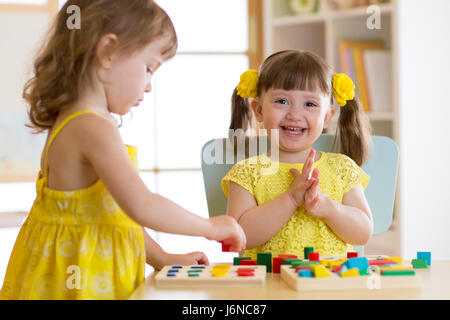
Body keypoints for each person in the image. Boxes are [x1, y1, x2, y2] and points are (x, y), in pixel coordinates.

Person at [0, 0, 245, 300]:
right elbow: (142, 204)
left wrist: (161, 257)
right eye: (149, 68)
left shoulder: (78, 121)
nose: (149, 86)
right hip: (80, 282)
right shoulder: (92, 128)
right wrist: (210, 226)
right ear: (107, 52)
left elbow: (115, 216)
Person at [222, 50, 373, 259]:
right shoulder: (246, 173)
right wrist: (291, 199)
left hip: (331, 284)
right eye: (282, 101)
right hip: (268, 287)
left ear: (327, 117)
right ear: (258, 110)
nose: (294, 114)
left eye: (310, 104)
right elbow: (238, 236)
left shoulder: (342, 168)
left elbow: (363, 232)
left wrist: (330, 209)